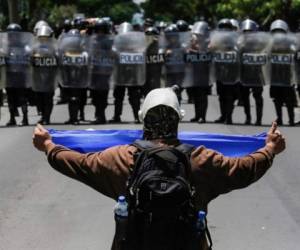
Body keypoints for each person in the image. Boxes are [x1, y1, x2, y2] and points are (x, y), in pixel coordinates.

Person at [33, 87, 285, 250]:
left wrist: (48, 146)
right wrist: (270, 149)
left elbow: (77, 163)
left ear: (143, 118)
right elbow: (245, 168)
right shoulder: (201, 159)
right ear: (179, 119)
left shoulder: (121, 158)